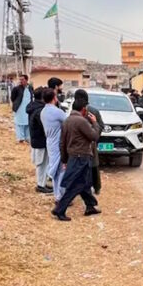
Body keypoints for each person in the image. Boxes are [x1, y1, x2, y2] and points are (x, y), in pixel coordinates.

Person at [52, 90, 102, 221]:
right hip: (82, 156)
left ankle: (90, 206)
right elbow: (94, 136)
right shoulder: (81, 121)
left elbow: (62, 143)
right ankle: (60, 209)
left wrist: (64, 159)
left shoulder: (67, 120)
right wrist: (95, 123)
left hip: (73, 156)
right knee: (76, 185)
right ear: (83, 109)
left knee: (85, 183)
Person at [40, 88, 67, 202]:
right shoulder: (57, 112)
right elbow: (68, 122)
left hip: (50, 142)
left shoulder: (43, 111)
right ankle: (60, 195)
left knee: (56, 170)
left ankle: (57, 195)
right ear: (54, 98)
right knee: (61, 170)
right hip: (58, 143)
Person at [28, 88, 52, 193]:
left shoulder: (33, 107)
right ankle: (40, 185)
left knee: (42, 163)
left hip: (36, 139)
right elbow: (43, 126)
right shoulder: (40, 110)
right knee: (41, 163)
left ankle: (42, 183)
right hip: (40, 140)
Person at [11, 74, 32, 143]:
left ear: (26, 80)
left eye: (22, 79)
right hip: (19, 108)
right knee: (19, 123)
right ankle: (20, 138)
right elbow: (13, 98)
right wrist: (16, 104)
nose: (21, 81)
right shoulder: (16, 88)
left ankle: (27, 137)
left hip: (28, 108)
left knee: (27, 123)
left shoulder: (30, 87)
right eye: (20, 79)